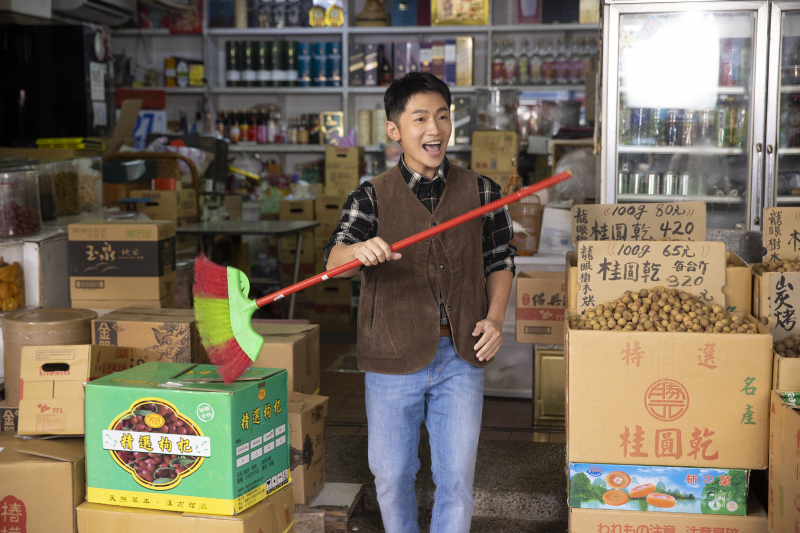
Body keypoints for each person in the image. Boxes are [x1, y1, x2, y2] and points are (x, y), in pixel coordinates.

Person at [323, 72, 516, 533]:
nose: (435, 129)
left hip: (461, 354)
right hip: (391, 358)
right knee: (392, 477)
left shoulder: (483, 191)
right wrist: (358, 250)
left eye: (443, 117)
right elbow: (334, 262)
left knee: (456, 480)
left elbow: (501, 260)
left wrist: (494, 319)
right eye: (421, 118)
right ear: (394, 129)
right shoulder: (370, 196)